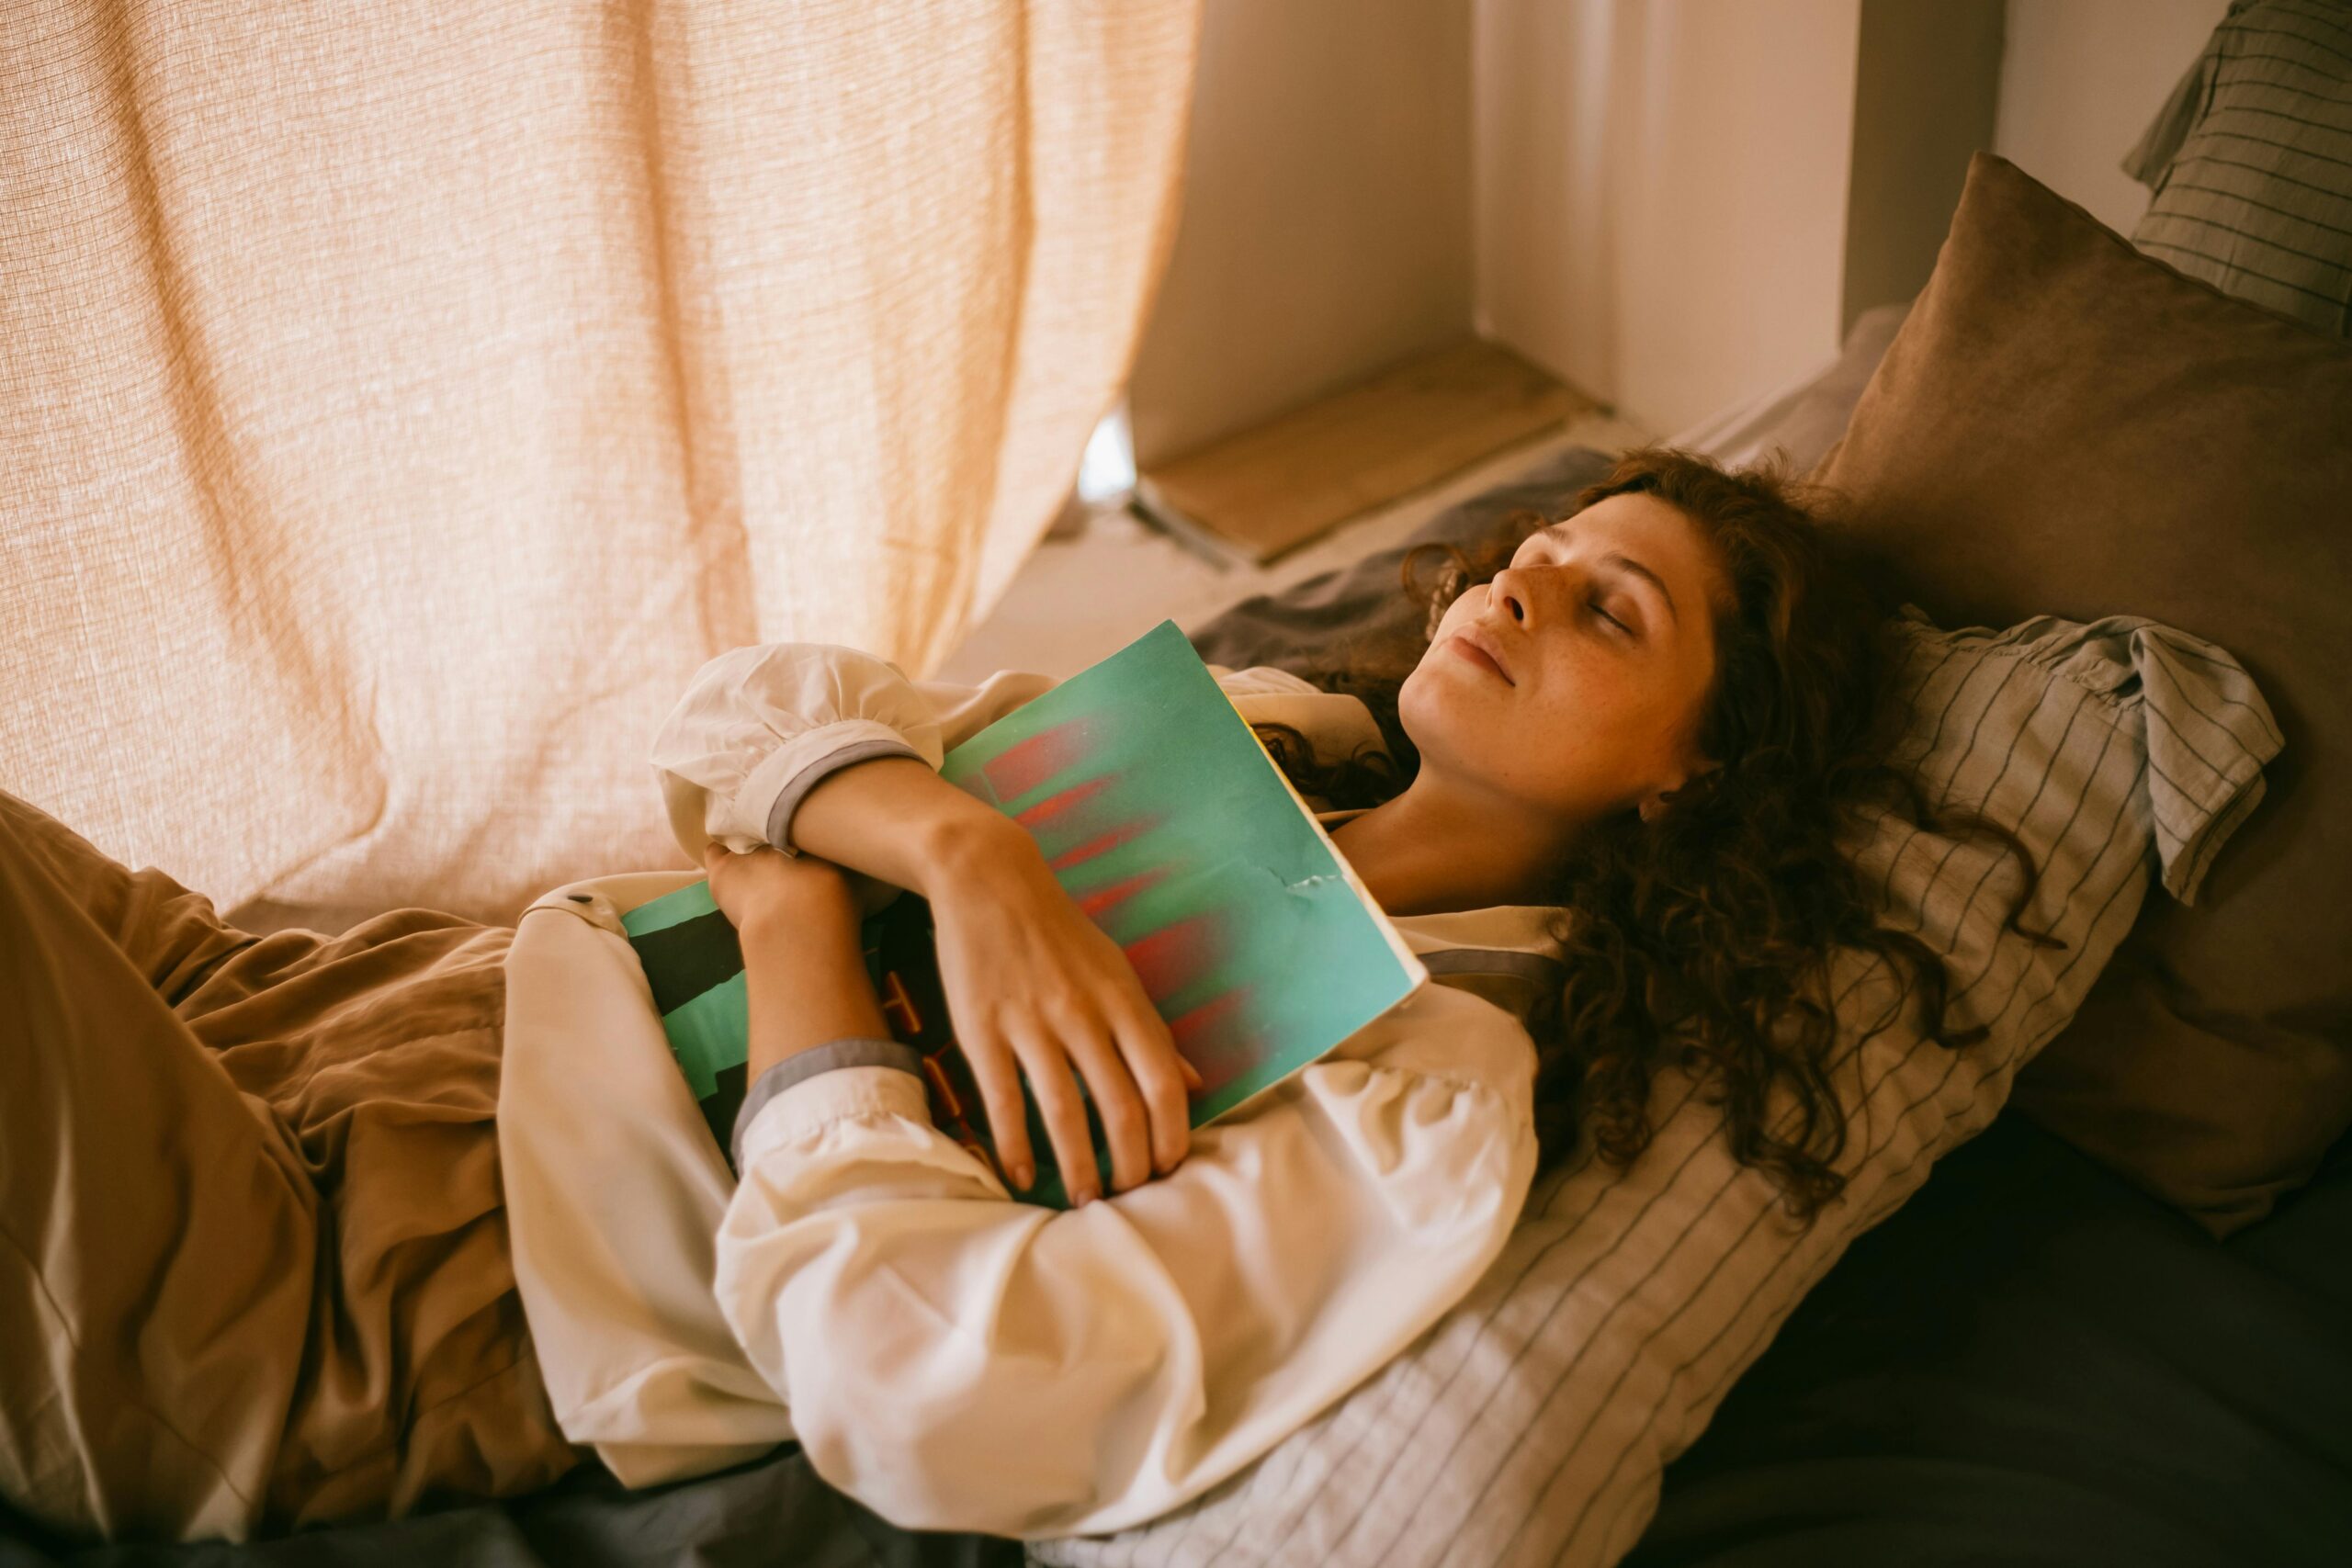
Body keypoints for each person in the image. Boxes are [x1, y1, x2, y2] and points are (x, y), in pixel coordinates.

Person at [0, 446, 1972, 1546]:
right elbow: (751, 712)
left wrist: (800, 948)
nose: (1512, 587)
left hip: (377, 1277)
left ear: (1689, 773)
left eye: (1604, 605)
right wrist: (963, 850)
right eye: (1536, 552)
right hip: (331, 985)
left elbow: (920, 1379)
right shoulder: (1265, 732)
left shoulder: (1423, 1085)